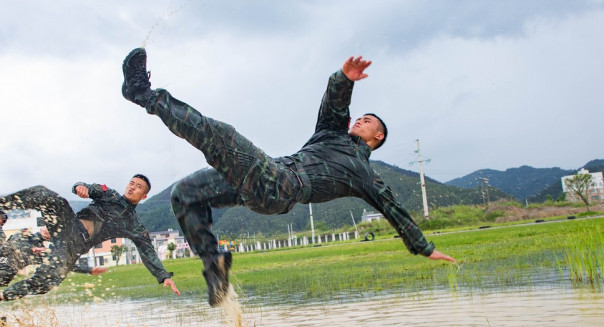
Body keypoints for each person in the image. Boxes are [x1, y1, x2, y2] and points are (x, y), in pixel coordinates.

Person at [121, 47, 456, 306]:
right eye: (360, 117)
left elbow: (392, 208)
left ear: (377, 137)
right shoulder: (331, 134)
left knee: (219, 135)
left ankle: (141, 93)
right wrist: (345, 78)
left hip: (282, 186)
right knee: (185, 195)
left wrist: (423, 247)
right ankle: (216, 268)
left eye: (367, 121)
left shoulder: (364, 173)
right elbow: (334, 104)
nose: (359, 121)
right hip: (268, 177)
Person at [0, 174, 180, 303]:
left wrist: (163, 276)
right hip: (67, 225)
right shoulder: (110, 194)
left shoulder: (134, 225)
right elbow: (88, 187)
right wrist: (81, 187)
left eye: (138, 187)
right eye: (132, 183)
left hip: (71, 249)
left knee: (46, 281)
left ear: (143, 197)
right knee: (46, 196)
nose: (132, 187)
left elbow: (147, 251)